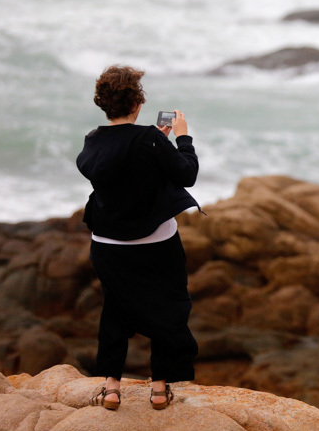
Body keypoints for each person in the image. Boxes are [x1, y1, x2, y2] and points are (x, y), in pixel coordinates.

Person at [77, 65, 200, 411]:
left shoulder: (93, 142)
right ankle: (159, 389)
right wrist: (182, 138)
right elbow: (186, 173)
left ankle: (112, 388)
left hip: (107, 245)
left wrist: (155, 142)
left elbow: (123, 165)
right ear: (137, 103)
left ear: (104, 105)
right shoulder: (148, 140)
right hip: (156, 245)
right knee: (168, 309)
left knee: (114, 310)